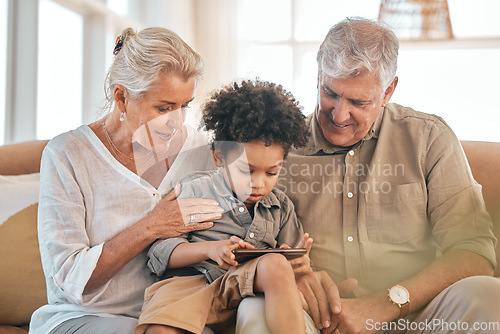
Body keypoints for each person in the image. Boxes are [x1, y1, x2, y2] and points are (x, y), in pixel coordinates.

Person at [237, 17, 500, 334]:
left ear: (388, 90)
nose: (339, 115)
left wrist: (386, 303)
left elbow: (475, 251)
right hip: (315, 318)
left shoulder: (429, 138)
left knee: (487, 294)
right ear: (319, 76)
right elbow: (238, 243)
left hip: (416, 312)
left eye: (358, 102)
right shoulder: (278, 150)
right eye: (330, 93)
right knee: (254, 310)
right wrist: (291, 275)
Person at [30, 27, 224, 334]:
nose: (177, 122)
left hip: (173, 316)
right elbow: (68, 278)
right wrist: (151, 227)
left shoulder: (202, 151)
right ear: (122, 98)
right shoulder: (68, 154)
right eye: (164, 108)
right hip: (84, 317)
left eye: (184, 105)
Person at [135, 80, 315, 334]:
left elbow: (290, 263)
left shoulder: (280, 206)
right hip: (191, 287)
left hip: (247, 291)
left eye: (272, 172)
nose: (259, 184)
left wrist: (299, 262)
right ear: (219, 156)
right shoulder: (196, 190)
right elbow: (161, 253)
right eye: (246, 170)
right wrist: (211, 249)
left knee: (276, 265)